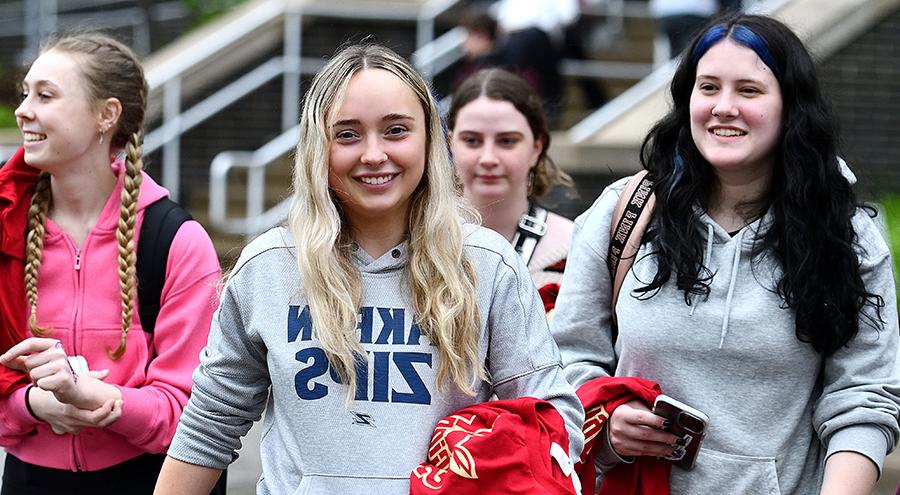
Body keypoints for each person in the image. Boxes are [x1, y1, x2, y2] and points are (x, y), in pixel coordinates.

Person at [153, 44, 584, 495]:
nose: (374, 154)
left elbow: (554, 420)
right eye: (347, 134)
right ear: (317, 148)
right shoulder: (269, 266)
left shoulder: (487, 264)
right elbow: (209, 425)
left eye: (396, 130)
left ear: (430, 141)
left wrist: (483, 467)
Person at [550, 14, 900, 494]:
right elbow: (565, 361)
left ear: (790, 106)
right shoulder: (624, 214)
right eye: (708, 87)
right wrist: (608, 430)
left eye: (749, 91)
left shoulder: (848, 236)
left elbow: (861, 397)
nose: (724, 107)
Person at [0, 33, 221, 494]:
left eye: (46, 95)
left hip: (151, 481)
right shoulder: (6, 230)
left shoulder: (176, 241)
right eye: (25, 93)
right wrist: (34, 404)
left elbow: (197, 415)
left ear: (107, 114)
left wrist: (99, 399)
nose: (23, 110)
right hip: (30, 482)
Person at [447, 68, 575, 310]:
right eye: (471, 140)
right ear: (451, 143)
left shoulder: (577, 249)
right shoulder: (413, 240)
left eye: (507, 141)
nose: (488, 158)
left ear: (536, 148)